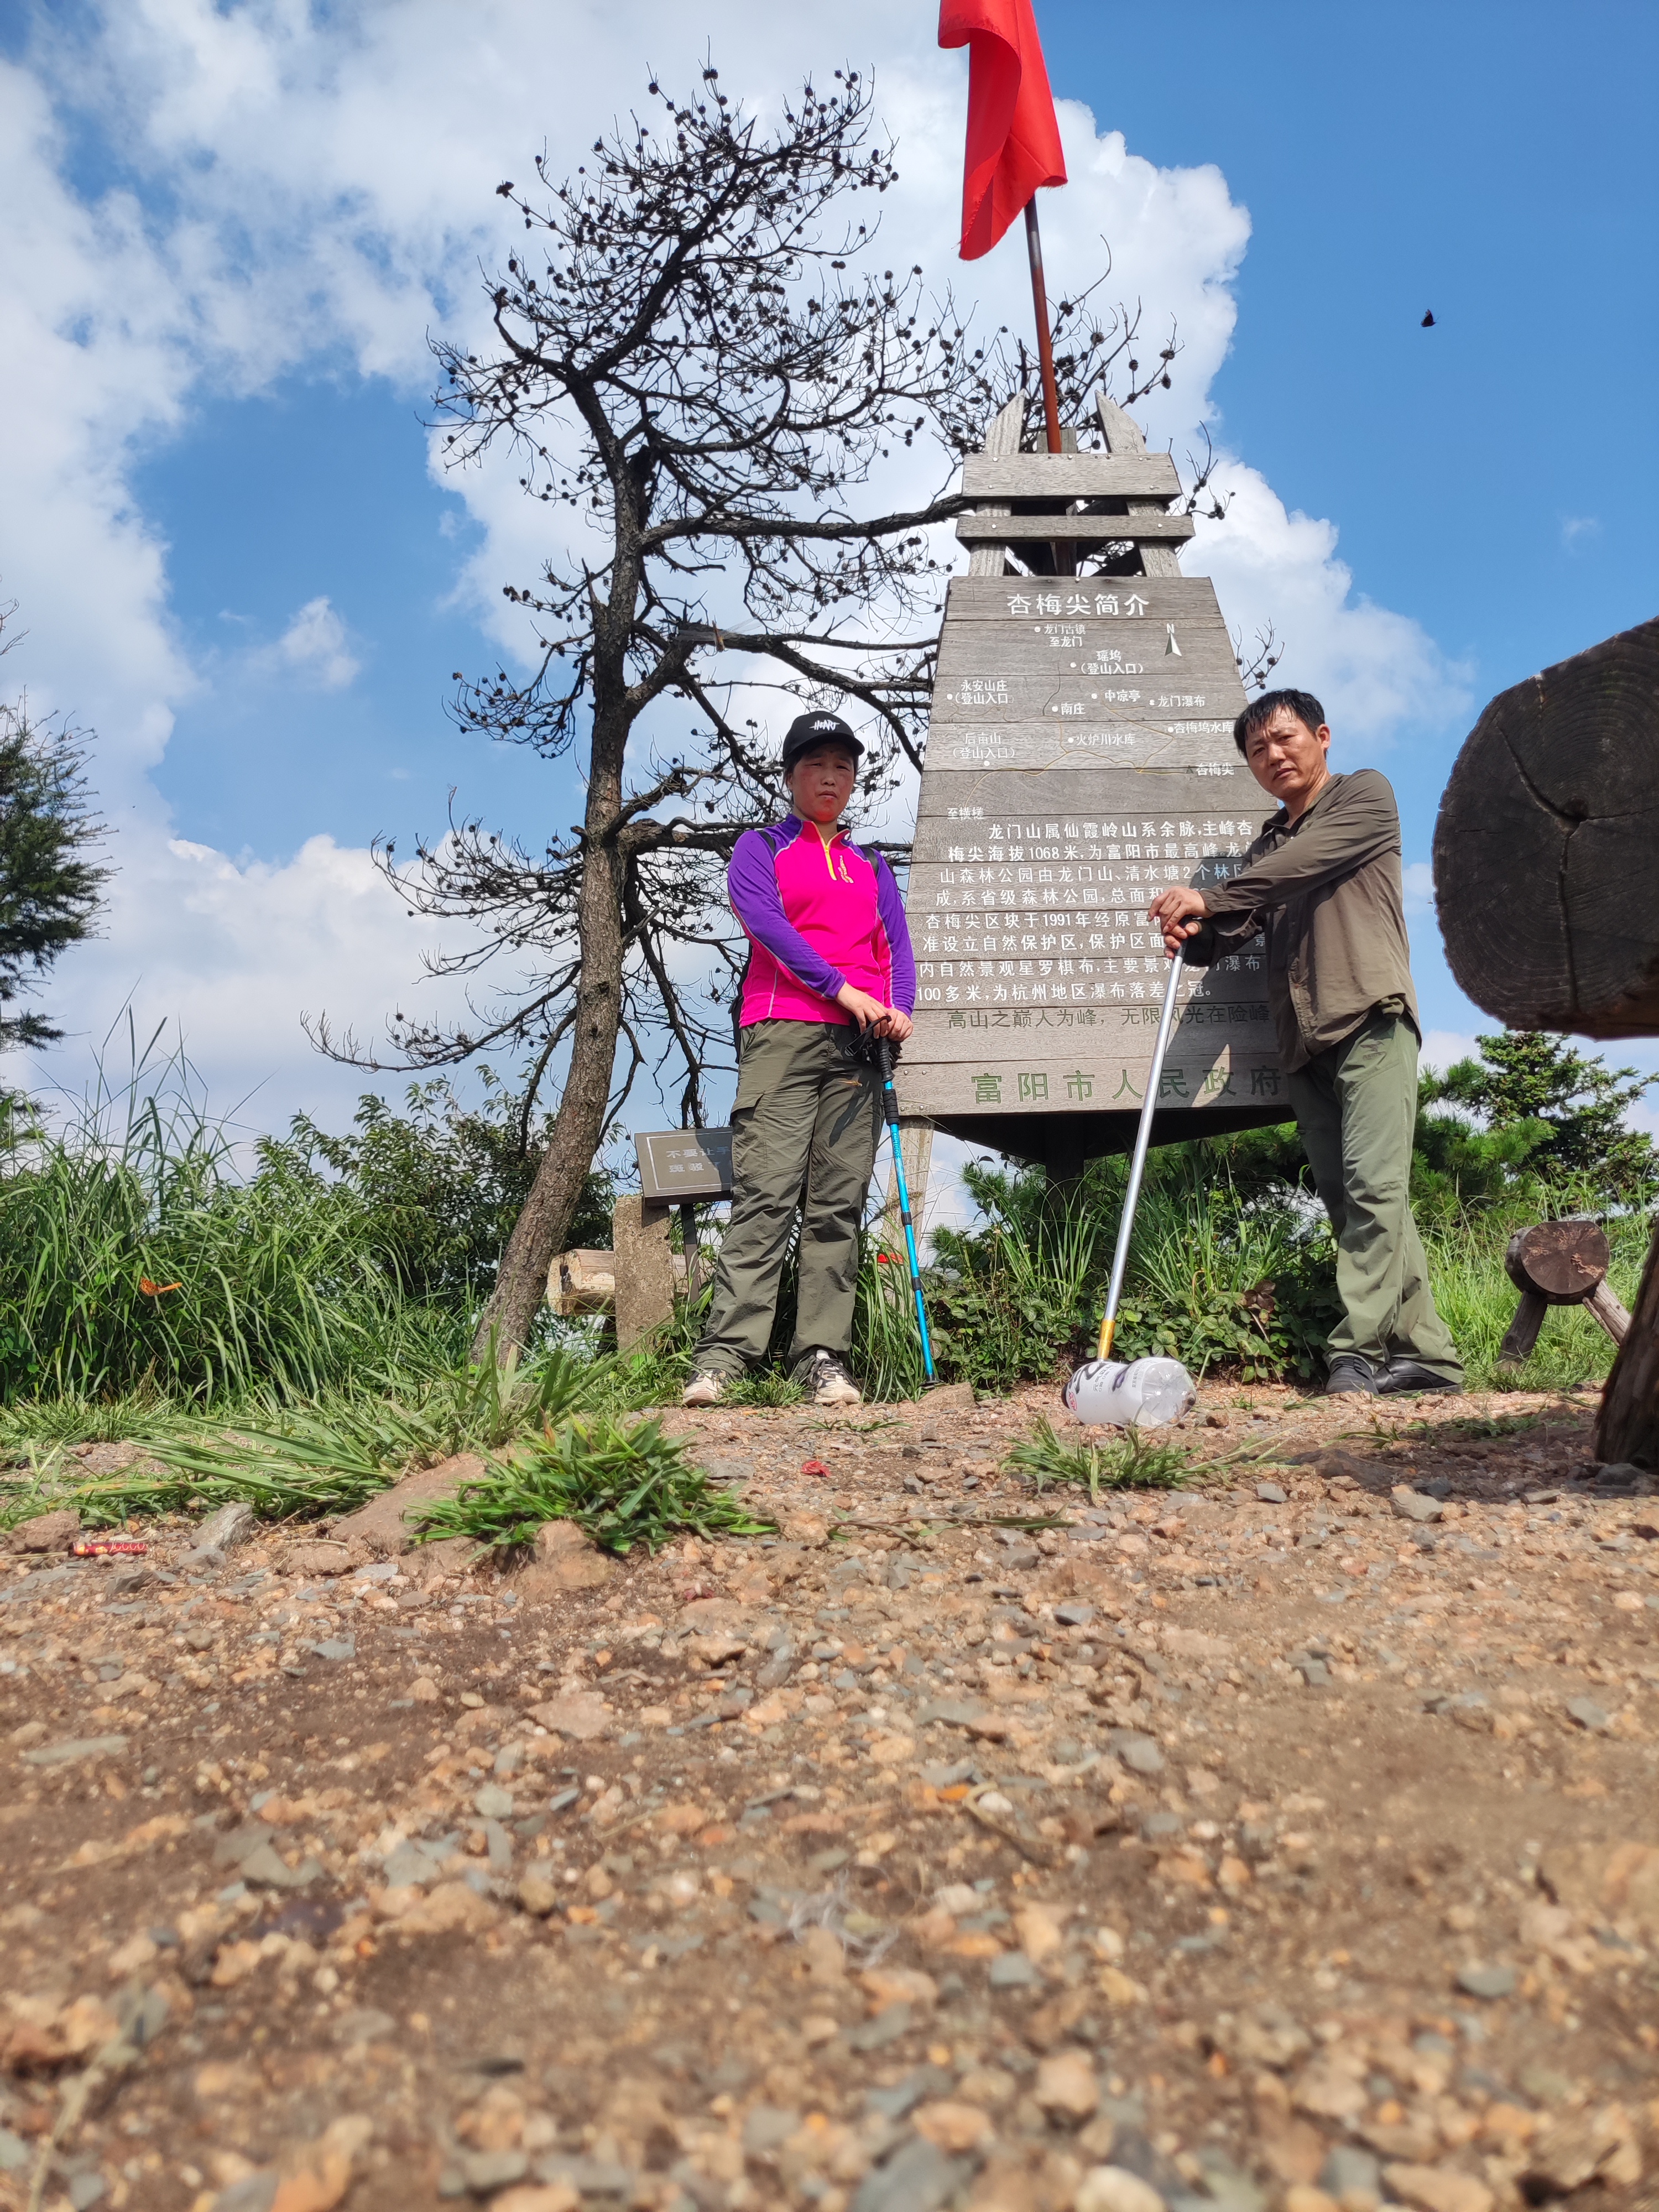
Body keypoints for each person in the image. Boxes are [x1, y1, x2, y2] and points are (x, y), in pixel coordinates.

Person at [1148, 688, 1463, 1397]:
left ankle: (1355, 1353)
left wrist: (1213, 897)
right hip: (1304, 1039)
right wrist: (1193, 934)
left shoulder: (1364, 797)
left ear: (1322, 736)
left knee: (1374, 1186)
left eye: (1285, 738)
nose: (1274, 755)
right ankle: (1431, 1358)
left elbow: (1302, 866)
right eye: (1258, 749)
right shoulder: (1266, 847)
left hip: (1369, 1018)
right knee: (1353, 1199)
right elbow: (1234, 927)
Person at [682, 711, 916, 1410]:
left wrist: (897, 1006)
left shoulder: (871, 864)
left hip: (860, 1045)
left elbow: (896, 947)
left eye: (842, 767)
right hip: (784, 1029)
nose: (830, 777)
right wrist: (844, 990)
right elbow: (769, 926)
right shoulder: (761, 847)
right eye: (816, 765)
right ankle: (725, 1358)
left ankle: (820, 1357)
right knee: (766, 1194)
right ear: (790, 776)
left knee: (837, 1205)